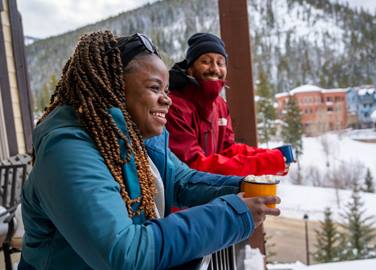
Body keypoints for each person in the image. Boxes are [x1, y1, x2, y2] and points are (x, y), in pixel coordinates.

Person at [19, 31, 280, 270]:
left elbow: (181, 181)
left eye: (166, 89)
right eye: (155, 88)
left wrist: (242, 186)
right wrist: (231, 214)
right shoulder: (67, 153)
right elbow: (124, 253)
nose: (167, 99)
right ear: (115, 89)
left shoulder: (135, 136)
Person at [166, 33, 293, 176]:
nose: (215, 69)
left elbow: (228, 150)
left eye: (220, 63)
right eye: (206, 62)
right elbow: (194, 165)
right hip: (185, 194)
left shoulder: (220, 105)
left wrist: (270, 155)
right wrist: (265, 163)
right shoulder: (174, 106)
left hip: (212, 188)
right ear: (190, 68)